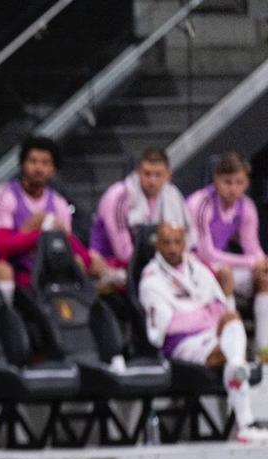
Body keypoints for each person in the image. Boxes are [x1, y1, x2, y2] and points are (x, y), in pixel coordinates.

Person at [140, 221, 268, 443]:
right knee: (230, 348)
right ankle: (245, 422)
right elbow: (169, 326)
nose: (172, 248)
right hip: (180, 344)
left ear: (185, 243)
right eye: (166, 242)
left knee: (232, 319)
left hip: (213, 337)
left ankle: (237, 367)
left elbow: (221, 308)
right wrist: (203, 314)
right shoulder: (150, 278)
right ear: (157, 245)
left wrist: (195, 315)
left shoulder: (196, 268)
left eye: (177, 242)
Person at [0, 136, 106, 300]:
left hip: (39, 271)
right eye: (33, 161)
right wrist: (42, 232)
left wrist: (90, 261)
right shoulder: (2, 195)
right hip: (5, 267)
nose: (38, 168)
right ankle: (6, 321)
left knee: (78, 263)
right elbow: (1, 247)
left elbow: (65, 244)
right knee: (6, 269)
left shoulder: (59, 203)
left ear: (53, 169)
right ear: (22, 164)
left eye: (45, 163)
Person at [187, 151, 268, 360]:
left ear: (247, 183)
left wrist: (261, 264)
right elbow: (206, 252)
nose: (233, 189)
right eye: (227, 182)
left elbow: (252, 248)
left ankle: (264, 351)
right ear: (216, 181)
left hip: (219, 266)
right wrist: (252, 261)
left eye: (239, 182)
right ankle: (233, 349)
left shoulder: (246, 208)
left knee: (264, 279)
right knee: (226, 275)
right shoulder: (201, 203)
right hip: (193, 266)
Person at [91, 147, 190, 270]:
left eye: (158, 175)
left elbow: (185, 237)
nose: (152, 181)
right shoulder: (119, 196)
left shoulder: (173, 195)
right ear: (138, 173)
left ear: (168, 176)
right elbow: (122, 251)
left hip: (154, 263)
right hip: (110, 262)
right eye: (147, 174)